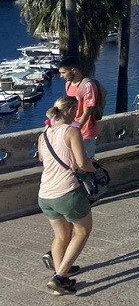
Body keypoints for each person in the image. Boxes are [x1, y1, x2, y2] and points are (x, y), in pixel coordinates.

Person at [38, 95, 96, 295]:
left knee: (61, 235)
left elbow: (42, 159)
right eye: (77, 109)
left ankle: (61, 268)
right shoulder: (72, 131)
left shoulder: (44, 134)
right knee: (82, 232)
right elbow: (81, 162)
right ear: (70, 109)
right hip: (67, 192)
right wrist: (95, 170)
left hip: (45, 193)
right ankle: (60, 278)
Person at [58, 57, 100, 160]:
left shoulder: (87, 86)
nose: (61, 76)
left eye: (63, 73)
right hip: (71, 129)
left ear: (73, 70)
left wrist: (77, 127)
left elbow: (87, 111)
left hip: (85, 131)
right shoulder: (68, 85)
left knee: (85, 160)